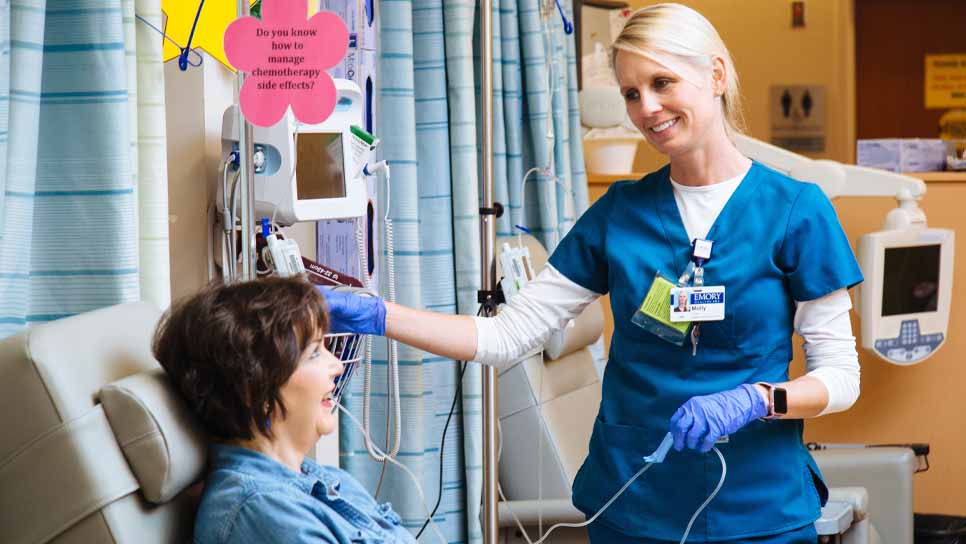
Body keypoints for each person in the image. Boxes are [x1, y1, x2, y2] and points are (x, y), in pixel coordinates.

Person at [323, 3, 862, 542]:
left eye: (662, 83)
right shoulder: (618, 215)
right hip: (634, 502)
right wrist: (379, 314)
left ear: (716, 75)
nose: (647, 108)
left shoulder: (795, 211)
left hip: (757, 507)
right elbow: (504, 335)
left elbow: (840, 377)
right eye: (631, 93)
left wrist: (758, 400)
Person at [153, 277, 416, 544]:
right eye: (314, 353)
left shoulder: (327, 482)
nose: (337, 365)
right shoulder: (262, 512)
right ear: (257, 390)